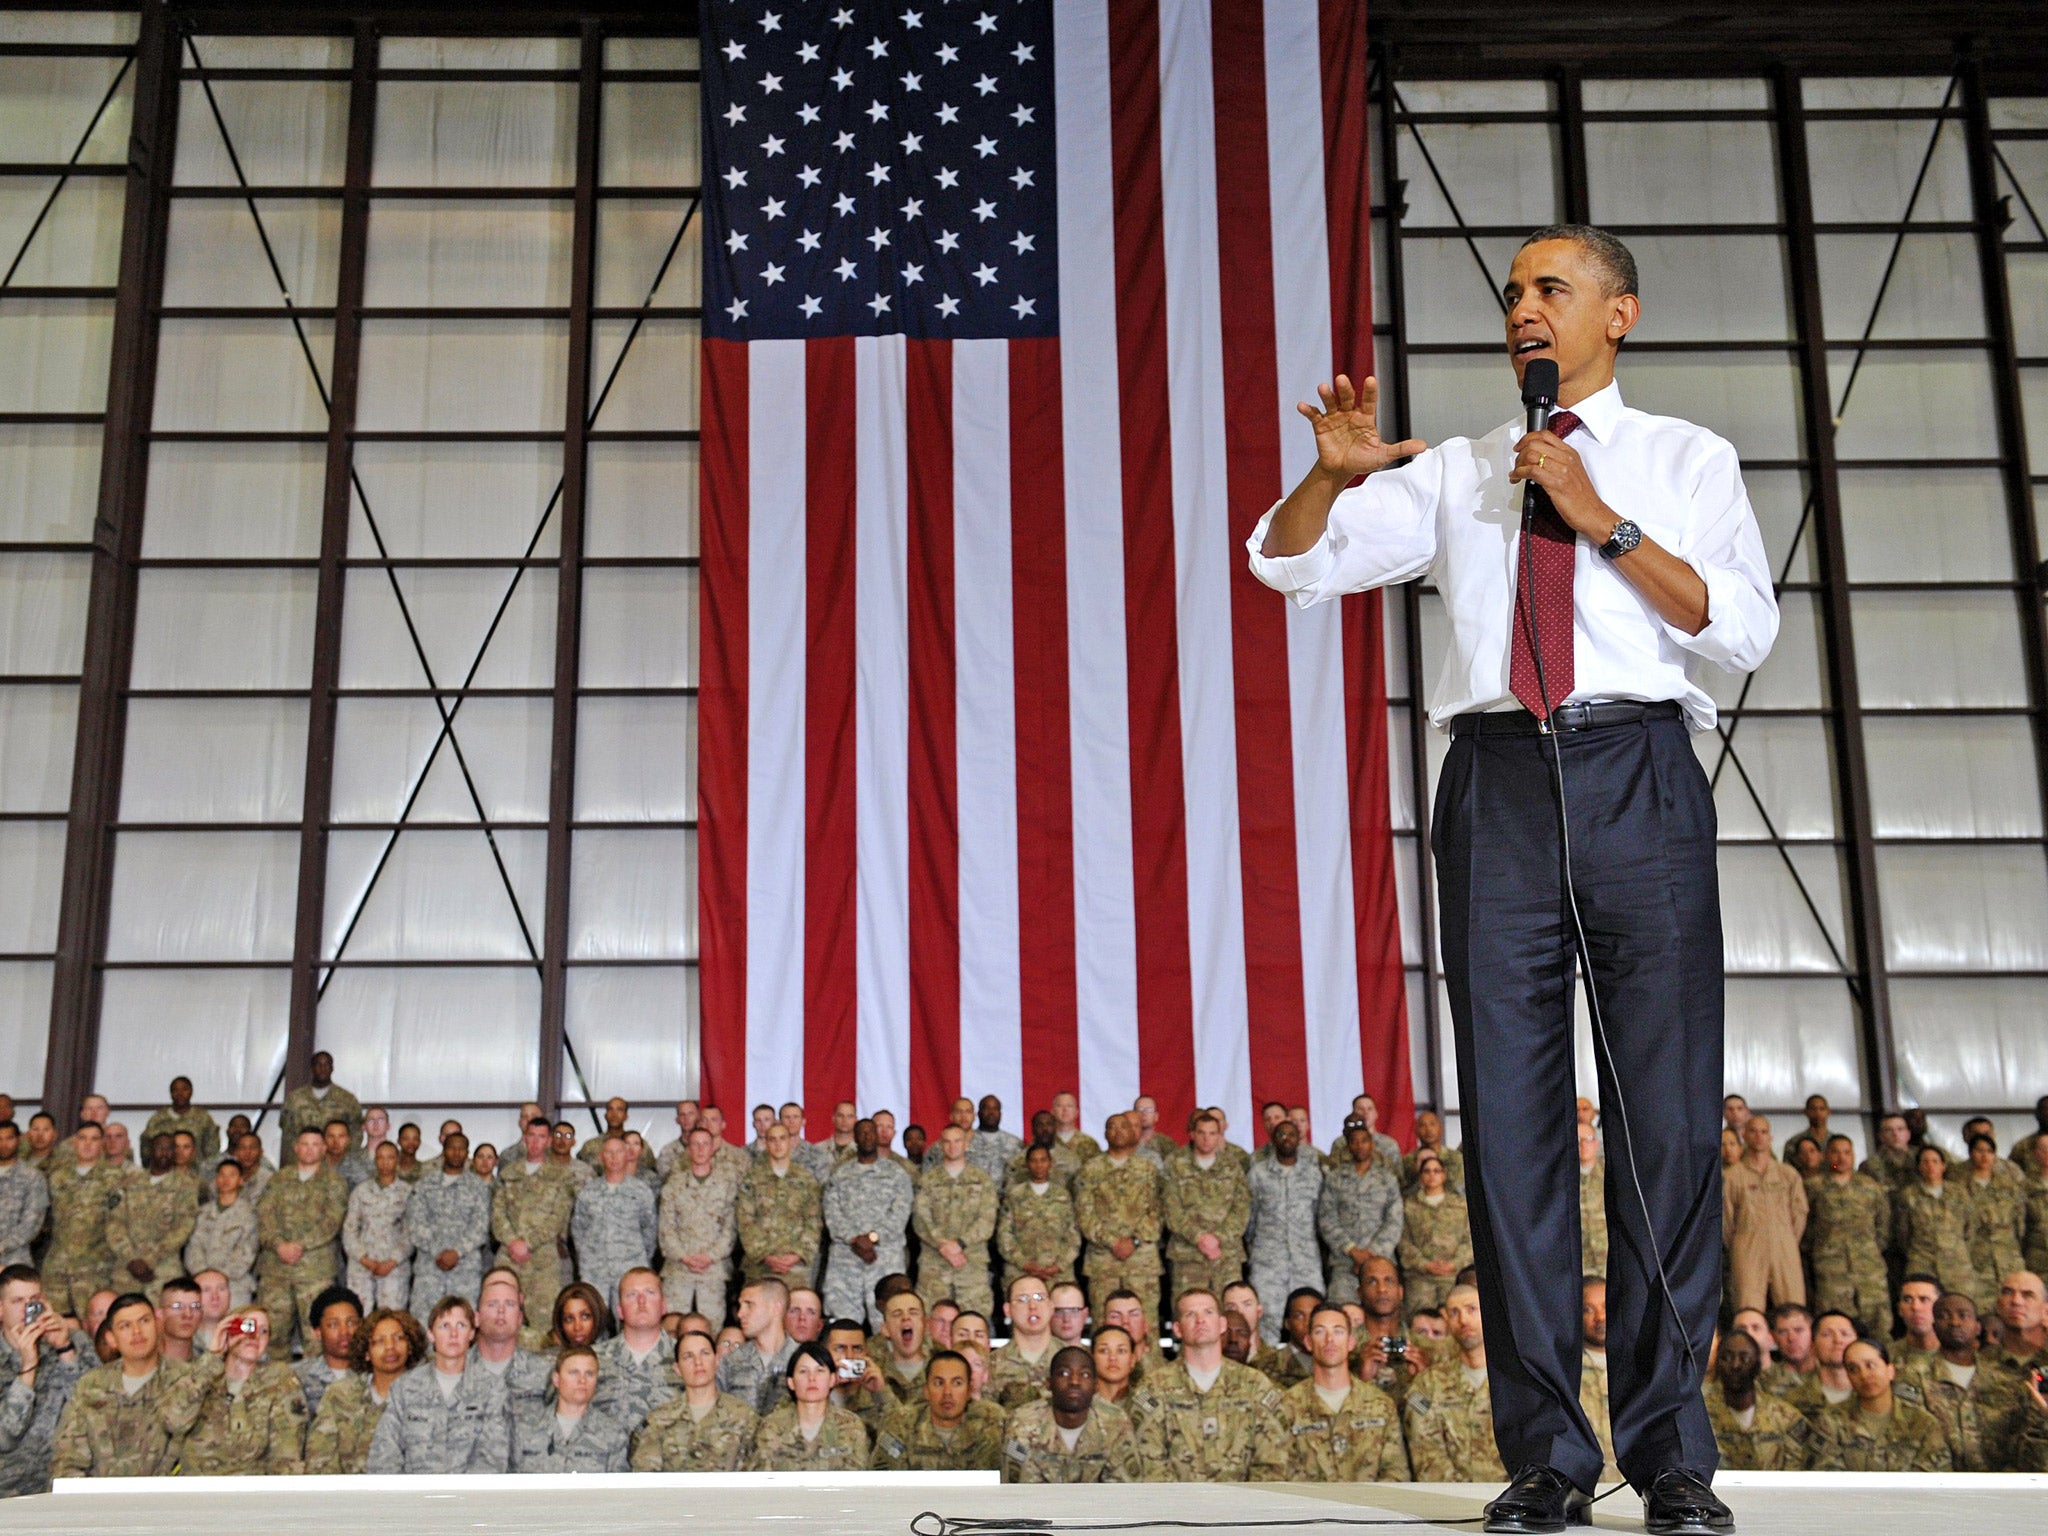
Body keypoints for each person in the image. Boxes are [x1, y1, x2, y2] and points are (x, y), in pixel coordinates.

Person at [1254, 223, 1772, 1527]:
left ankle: (1670, 1458)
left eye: (1553, 288)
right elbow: (1290, 560)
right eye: (1513, 292)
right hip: (1494, 787)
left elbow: (1743, 629)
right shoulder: (1459, 472)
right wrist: (1328, 480)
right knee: (1513, 1134)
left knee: (1663, 1125)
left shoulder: (1682, 460)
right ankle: (1546, 1453)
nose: (1524, 309)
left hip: (1638, 773)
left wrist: (1600, 522)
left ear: (1621, 314)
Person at [1126, 1288, 1287, 1481]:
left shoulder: (1254, 1384)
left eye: (1208, 1312)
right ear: (1177, 1329)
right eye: (1190, 1314)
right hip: (1175, 1507)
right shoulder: (1154, 1387)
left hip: (1243, 1507)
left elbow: (1272, 1460)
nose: (1200, 1320)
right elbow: (1149, 1463)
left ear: (1222, 1324)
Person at [48, 1292, 204, 1477]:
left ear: (158, 1326)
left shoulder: (188, 1380)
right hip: (101, 1502)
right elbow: (67, 1460)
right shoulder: (91, 1386)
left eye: (144, 1321)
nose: (137, 1332)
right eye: (125, 1326)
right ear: (111, 1339)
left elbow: (203, 1455)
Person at [366, 1296, 512, 1473]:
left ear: (472, 1333)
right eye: (444, 1326)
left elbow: (493, 1458)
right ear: (431, 1335)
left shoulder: (492, 1389)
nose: (453, 1334)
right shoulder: (404, 1388)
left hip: (468, 1497)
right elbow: (384, 1455)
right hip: (414, 1497)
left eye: (461, 1325)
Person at [1278, 1303, 1409, 1482]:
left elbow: (1396, 1473)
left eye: (1338, 1331)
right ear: (1308, 1342)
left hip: (1371, 1508)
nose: (1329, 1339)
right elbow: (1281, 1474)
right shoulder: (1287, 1406)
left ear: (1351, 1342)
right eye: (1320, 1332)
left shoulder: (1381, 1405)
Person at [174, 1304, 307, 1475]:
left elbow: (286, 1457)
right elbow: (174, 1421)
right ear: (229, 1330)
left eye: (264, 1331)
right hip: (196, 1490)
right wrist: (212, 1357)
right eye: (248, 1327)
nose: (255, 1336)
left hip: (250, 1493)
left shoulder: (279, 1381)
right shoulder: (197, 1375)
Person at [255, 1126, 349, 1360]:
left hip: (314, 1272)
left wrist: (300, 1245)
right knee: (273, 1333)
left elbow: (332, 1221)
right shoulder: (278, 1179)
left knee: (316, 1335)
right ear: (296, 1148)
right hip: (276, 1270)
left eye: (316, 1144)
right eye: (305, 1144)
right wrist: (279, 1245)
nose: (310, 1150)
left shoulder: (334, 1182)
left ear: (324, 1148)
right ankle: (278, 1388)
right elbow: (264, 1216)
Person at [0, 1264, 91, 1495]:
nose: (28, 1308)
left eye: (35, 1299)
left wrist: (65, 1350)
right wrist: (28, 1366)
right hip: (9, 1488)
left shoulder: (75, 1341)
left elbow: (94, 1410)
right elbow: (4, 1438)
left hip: (68, 1480)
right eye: (18, 1301)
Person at [1404, 1283, 1506, 1483]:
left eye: (1471, 1309)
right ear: (1447, 1321)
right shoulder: (1428, 1384)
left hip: (1512, 1502)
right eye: (1454, 1312)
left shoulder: (1517, 1380)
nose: (1463, 1320)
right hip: (1450, 1502)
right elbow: (1426, 1454)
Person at [305, 1305, 422, 1473]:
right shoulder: (339, 1395)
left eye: (398, 1338)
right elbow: (320, 1461)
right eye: (380, 1341)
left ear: (410, 1347)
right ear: (367, 1353)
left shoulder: (425, 1396)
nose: (390, 1346)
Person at [1001, 1343, 1140, 1482]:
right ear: (1048, 1383)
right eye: (1064, 1373)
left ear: (1096, 1386)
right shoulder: (1020, 1423)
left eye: (1084, 1375)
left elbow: (1124, 1493)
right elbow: (1019, 1490)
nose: (1074, 1381)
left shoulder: (1116, 1422)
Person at [1807, 1338, 1950, 1471]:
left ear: (1890, 1371)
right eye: (1853, 1369)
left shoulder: (1921, 1423)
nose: (1864, 1375)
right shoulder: (1831, 1421)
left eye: (1870, 1365)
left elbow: (1935, 1481)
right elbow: (1825, 1479)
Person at [1073, 1114, 1165, 1321]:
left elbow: (1158, 1210)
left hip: (1142, 1260)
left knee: (1145, 1322)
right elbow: (1084, 1214)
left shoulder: (1148, 1169)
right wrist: (1112, 1242)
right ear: (1105, 1134)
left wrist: (1134, 1240)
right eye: (1111, 1127)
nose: (1118, 1131)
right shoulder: (1090, 1170)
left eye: (1123, 1127)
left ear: (1133, 1132)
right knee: (1104, 1321)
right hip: (1103, 1261)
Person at [631, 1326, 759, 1470]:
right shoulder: (658, 1421)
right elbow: (646, 1481)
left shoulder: (744, 1417)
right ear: (677, 1369)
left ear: (716, 1360)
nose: (698, 1362)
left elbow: (756, 1478)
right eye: (688, 1356)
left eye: (705, 1353)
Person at [1894, 1290, 1995, 1471]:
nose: (1954, 1323)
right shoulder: (1912, 1377)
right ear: (1934, 1326)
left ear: (1978, 1327)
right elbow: (1906, 1438)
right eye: (1944, 1316)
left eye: (1963, 1316)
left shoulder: (2003, 1380)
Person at [491, 1117, 576, 1331]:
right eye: (531, 1136)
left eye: (541, 1137)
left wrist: (527, 1243)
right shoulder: (509, 1174)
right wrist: (512, 1242)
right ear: (524, 1138)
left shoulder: (561, 1176)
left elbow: (557, 1218)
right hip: (508, 1258)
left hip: (543, 1261)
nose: (536, 1142)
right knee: (501, 1321)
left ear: (548, 1141)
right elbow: (497, 1214)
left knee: (544, 1325)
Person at [1806, 1134, 1892, 1340]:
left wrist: (1870, 1249)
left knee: (1878, 1322)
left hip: (1868, 1267)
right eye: (1835, 1152)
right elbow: (1805, 1227)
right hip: (1831, 1268)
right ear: (1826, 1155)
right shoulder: (1813, 1186)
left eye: (1847, 1152)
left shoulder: (1870, 1186)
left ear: (1854, 1155)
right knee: (1835, 1323)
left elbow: (1883, 1225)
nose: (1841, 1158)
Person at [1246, 1120, 1324, 1343]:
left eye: (1291, 1135)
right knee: (1267, 1318)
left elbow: (1319, 1217)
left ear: (1299, 1139)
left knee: (1311, 1315)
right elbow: (1250, 1219)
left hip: (1306, 1261)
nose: (1286, 1139)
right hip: (1268, 1262)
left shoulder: (1313, 1175)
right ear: (1272, 1139)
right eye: (1281, 1135)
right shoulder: (1258, 1174)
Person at [1162, 1114, 1252, 1304]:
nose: (1206, 1138)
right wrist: (1199, 1238)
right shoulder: (1176, 1164)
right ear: (1192, 1134)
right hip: (1188, 1256)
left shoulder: (1231, 1165)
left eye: (1212, 1133)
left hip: (1226, 1256)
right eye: (1201, 1133)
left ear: (1220, 1136)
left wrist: (1218, 1238)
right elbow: (1171, 1209)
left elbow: (1241, 1208)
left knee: (1229, 1313)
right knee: (1189, 1311)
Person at [871, 1348, 1007, 1469]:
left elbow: (1008, 1480)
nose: (947, 1392)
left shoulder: (993, 1421)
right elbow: (882, 1482)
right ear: (926, 1391)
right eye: (939, 1383)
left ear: (968, 1391)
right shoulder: (900, 1423)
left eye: (957, 1383)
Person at [657, 1125, 741, 1321]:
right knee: (673, 1327)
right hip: (678, 1269)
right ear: (688, 1149)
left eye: (705, 1144)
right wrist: (684, 1257)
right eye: (695, 1144)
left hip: (713, 1270)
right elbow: (666, 1229)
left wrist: (710, 1256)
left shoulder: (727, 1184)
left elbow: (730, 1229)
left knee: (711, 1329)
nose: (701, 1149)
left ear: (713, 1148)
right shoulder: (674, 1185)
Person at [1725, 1114, 1808, 1313]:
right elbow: (1725, 1220)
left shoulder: (1787, 1174)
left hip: (1784, 1246)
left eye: (1764, 1132)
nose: (1759, 1136)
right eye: (1753, 1131)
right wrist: (1740, 1242)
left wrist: (1786, 1239)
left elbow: (1800, 1213)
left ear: (1771, 1137)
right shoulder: (1732, 1176)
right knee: (1747, 1306)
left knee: (1793, 1306)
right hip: (1747, 1245)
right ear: (1744, 1135)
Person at [1316, 1116, 1403, 1305]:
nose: (1359, 1146)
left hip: (1382, 1264)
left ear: (1372, 1144)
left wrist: (1372, 1254)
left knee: (1384, 1314)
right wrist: (1352, 1251)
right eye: (1354, 1142)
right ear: (1347, 1146)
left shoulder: (1387, 1179)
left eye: (1364, 1141)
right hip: (1345, 1263)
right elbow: (1326, 1218)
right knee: (1342, 1314)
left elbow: (1394, 1220)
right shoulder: (1335, 1178)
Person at [914, 1124, 998, 1316]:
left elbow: (987, 1220)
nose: (952, 1146)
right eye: (947, 1142)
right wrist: (942, 1244)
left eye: (957, 1141)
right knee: (932, 1322)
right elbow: (921, 1218)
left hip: (971, 1264)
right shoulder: (928, 1180)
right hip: (934, 1265)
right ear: (941, 1145)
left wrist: (960, 1244)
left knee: (974, 1320)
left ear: (966, 1144)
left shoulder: (982, 1179)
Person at [105, 1134, 198, 1303]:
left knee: (163, 1320)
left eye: (170, 1149)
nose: (165, 1153)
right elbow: (114, 1223)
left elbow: (183, 1228)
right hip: (127, 1269)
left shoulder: (186, 1185)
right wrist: (131, 1258)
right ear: (150, 1151)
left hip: (163, 1268)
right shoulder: (129, 1181)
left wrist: (149, 1260)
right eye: (160, 1148)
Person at [746, 1341, 869, 1469]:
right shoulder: (772, 1426)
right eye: (803, 1371)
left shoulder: (851, 1425)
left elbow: (857, 1480)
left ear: (832, 1379)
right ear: (791, 1382)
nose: (812, 1378)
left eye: (820, 1371)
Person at [572, 1133, 659, 1313]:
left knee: (631, 1318)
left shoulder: (641, 1191)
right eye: (608, 1152)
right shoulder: (588, 1191)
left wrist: (638, 1257)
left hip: (630, 1267)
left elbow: (650, 1230)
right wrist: (590, 1257)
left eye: (619, 1152)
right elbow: (579, 1229)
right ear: (600, 1157)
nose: (613, 1157)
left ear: (627, 1155)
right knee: (595, 1321)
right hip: (594, 1270)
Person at [43, 1122, 122, 1318]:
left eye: (94, 1139)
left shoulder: (115, 1178)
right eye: (82, 1138)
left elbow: (120, 1223)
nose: (87, 1144)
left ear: (102, 1143)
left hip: (94, 1268)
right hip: (57, 1265)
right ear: (74, 1142)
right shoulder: (57, 1177)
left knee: (93, 1324)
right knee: (52, 1322)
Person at [509, 1345, 630, 1471]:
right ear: (556, 1379)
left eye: (589, 1374)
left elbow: (619, 1489)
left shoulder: (614, 1435)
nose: (582, 1380)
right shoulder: (524, 1431)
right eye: (574, 1373)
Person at [1702, 1329, 1808, 1471]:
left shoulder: (1786, 1418)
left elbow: (1797, 1473)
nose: (1735, 1365)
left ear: (1757, 1365)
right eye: (1726, 1358)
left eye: (1744, 1358)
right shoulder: (1700, 1416)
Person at [736, 1123, 823, 1287]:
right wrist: (766, 1255)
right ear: (766, 1144)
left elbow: (814, 1221)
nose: (778, 1144)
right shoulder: (752, 1179)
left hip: (797, 1267)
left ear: (790, 1142)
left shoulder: (806, 1179)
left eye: (782, 1139)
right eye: (772, 1140)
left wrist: (797, 1254)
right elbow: (745, 1221)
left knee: (795, 1311)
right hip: (760, 1265)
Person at [1895, 1144, 1977, 1300]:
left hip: (1956, 1265)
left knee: (1961, 1303)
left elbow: (1970, 1228)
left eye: (1935, 1161)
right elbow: (1903, 1234)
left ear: (1944, 1166)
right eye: (1925, 1162)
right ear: (1919, 1167)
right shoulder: (1908, 1195)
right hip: (1922, 1262)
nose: (1930, 1166)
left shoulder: (1959, 1193)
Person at [1398, 1151, 1473, 1319]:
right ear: (1421, 1176)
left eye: (1436, 1171)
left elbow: (1469, 1241)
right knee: (1419, 1323)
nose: (1432, 1175)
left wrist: (1454, 1264)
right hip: (1420, 1278)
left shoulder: (1461, 1205)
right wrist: (1425, 1264)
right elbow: (1404, 1242)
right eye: (1427, 1171)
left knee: (1456, 1320)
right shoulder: (1408, 1206)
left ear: (1444, 1175)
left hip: (1454, 1276)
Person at [999, 1145, 1082, 1290]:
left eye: (1043, 1160)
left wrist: (1059, 1265)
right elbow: (1004, 1234)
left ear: (1050, 1163)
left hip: (1058, 1275)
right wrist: (1024, 1263)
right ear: (1027, 1164)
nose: (1039, 1165)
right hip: (1021, 1272)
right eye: (1034, 1161)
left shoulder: (1062, 1195)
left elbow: (1073, 1235)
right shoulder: (1015, 1195)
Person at [343, 1140, 413, 1312]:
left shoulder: (408, 1192)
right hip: (362, 1266)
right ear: (375, 1161)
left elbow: (411, 1233)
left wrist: (392, 1260)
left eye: (390, 1157)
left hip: (394, 1267)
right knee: (359, 1318)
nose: (385, 1162)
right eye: (380, 1157)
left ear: (397, 1160)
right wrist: (364, 1258)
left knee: (391, 1320)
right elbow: (350, 1229)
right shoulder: (361, 1191)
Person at [1962, 1137, 2027, 1316]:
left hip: (2008, 1255)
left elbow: (2019, 1221)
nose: (1984, 1156)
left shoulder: (2009, 1185)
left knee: (2015, 1304)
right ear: (1970, 1154)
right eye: (1979, 1151)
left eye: (1989, 1152)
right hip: (1978, 1258)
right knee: (1983, 1310)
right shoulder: (1960, 1188)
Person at [716, 1277, 797, 1417]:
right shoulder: (731, 1361)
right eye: (740, 1305)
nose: (740, 1314)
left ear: (776, 1308)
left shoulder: (802, 1360)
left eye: (749, 1305)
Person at [185, 1160, 258, 1307]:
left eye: (232, 1175)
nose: (226, 1180)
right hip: (202, 1284)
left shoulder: (249, 1213)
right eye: (222, 1175)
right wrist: (203, 1274)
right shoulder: (203, 1212)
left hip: (235, 1285)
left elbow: (247, 1251)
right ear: (216, 1180)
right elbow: (193, 1245)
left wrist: (219, 1277)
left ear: (241, 1180)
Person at [986, 1274, 1057, 1408]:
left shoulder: (1072, 1359)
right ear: (1007, 1310)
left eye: (1039, 1298)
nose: (1032, 1306)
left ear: (1051, 1306)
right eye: (1023, 1299)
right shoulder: (991, 1366)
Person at [294, 1286, 363, 1415]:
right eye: (333, 1324)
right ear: (317, 1332)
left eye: (351, 1323)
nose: (344, 1332)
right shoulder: (296, 1377)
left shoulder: (373, 1375)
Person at [0, 1123, 49, 1269]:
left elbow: (32, 1223)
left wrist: (3, 1246)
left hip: (15, 1260)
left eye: (9, 1138)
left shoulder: (33, 1177)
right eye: (0, 1139)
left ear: (19, 1140)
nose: (4, 1144)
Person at [875, 1287, 932, 1403]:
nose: (906, 1318)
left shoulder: (942, 1372)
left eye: (913, 1312)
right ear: (885, 1329)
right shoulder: (874, 1375)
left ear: (925, 1324)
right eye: (897, 1314)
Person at [1760, 1303, 1815, 1396]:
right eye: (1783, 1332)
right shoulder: (1764, 1380)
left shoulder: (1829, 1374)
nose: (1791, 1338)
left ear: (1813, 1333)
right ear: (1773, 1337)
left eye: (1798, 1330)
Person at [1894, 1275, 1943, 1366]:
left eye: (1924, 1299)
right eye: (1907, 1299)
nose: (1915, 1307)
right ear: (1899, 1309)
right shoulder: (1886, 1357)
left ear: (1941, 1307)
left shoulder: (1959, 1355)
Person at [1090, 1325, 1136, 1407]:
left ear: (1132, 1359)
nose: (1112, 1358)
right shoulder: (1081, 1400)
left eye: (1121, 1351)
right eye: (1104, 1351)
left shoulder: (1144, 1400)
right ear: (1092, 1358)